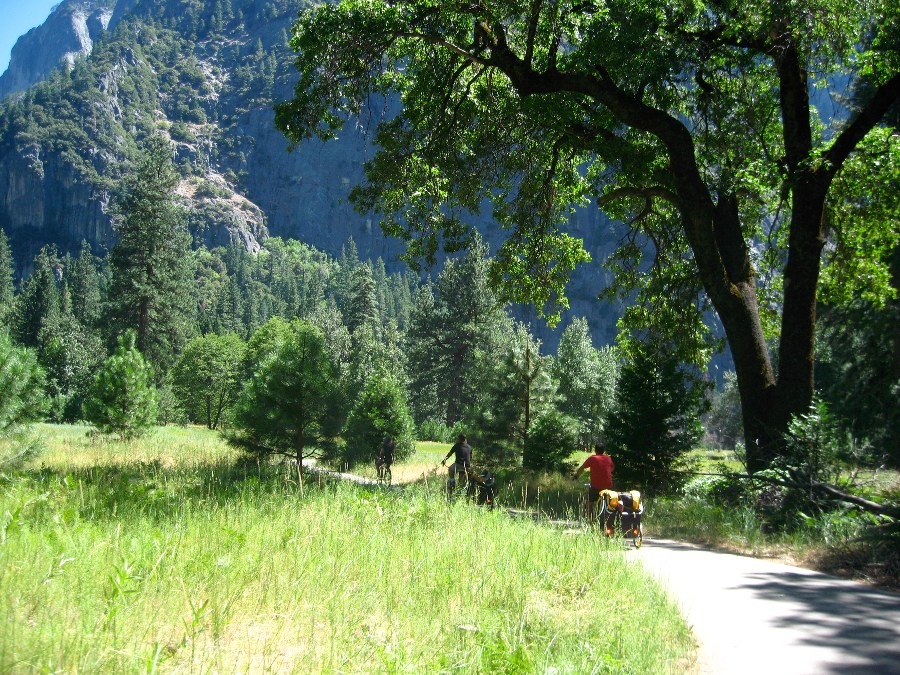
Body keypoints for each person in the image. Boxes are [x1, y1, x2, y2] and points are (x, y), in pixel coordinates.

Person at [573, 442, 614, 520]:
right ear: (603, 451)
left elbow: (582, 468)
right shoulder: (608, 458)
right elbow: (612, 468)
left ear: (595, 450)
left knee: (590, 501)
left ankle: (590, 520)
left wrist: (576, 475)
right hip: (608, 486)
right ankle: (609, 518)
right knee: (609, 502)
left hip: (596, 486)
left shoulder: (593, 458)